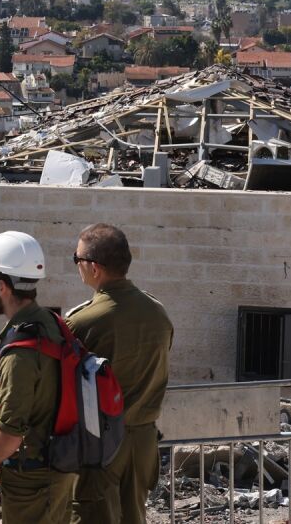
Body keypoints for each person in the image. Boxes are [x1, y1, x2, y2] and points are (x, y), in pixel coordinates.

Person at [0, 231, 76, 524]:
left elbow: (10, 434)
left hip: (32, 479)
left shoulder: (20, 348)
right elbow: (42, 393)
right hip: (56, 468)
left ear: (2, 286)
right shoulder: (49, 322)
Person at [66, 224, 172, 524]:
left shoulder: (83, 321)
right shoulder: (158, 312)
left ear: (95, 268)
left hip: (100, 442)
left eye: (77, 259)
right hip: (143, 441)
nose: (76, 265)